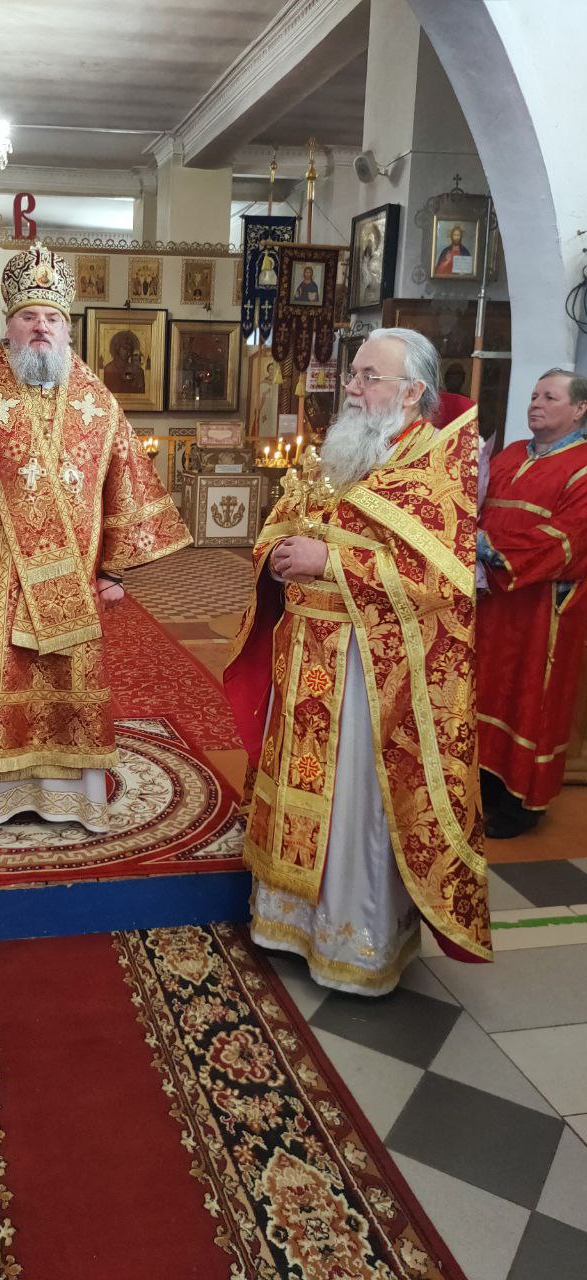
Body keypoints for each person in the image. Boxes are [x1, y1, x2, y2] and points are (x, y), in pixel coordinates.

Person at [224, 327, 491, 994]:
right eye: (354, 374)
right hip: (305, 655)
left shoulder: (433, 470)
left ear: (411, 391)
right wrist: (279, 551)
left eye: (369, 376)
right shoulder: (346, 450)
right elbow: (286, 518)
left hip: (368, 673)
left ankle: (352, 943)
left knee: (352, 806)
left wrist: (330, 561)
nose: (352, 386)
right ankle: (286, 923)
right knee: (300, 783)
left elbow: (440, 581)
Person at [0, 244, 191, 830]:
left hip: (77, 576)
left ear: (67, 327)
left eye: (51, 317)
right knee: (4, 673)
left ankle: (74, 797)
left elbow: (124, 483)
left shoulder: (98, 401)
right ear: (9, 326)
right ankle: (4, 797)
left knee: (71, 685)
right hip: (3, 577)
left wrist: (113, 570)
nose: (41, 327)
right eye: (29, 316)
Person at [477, 368, 587, 837]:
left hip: (543, 610)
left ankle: (521, 804)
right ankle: (482, 786)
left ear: (580, 409)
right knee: (486, 689)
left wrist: (490, 548)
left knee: (529, 699)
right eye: (534, 395)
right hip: (492, 602)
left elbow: (568, 539)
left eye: (550, 397)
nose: (536, 403)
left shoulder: (582, 466)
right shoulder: (508, 455)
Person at [103, 328, 146, 394]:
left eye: (130, 349)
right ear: (117, 348)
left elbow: (140, 392)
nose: (128, 352)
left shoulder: (137, 370)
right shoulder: (109, 368)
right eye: (125, 348)